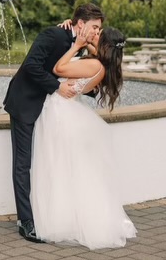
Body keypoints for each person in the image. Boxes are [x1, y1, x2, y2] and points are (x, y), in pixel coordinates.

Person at [3, 3, 104, 243]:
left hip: (51, 111)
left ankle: (49, 213)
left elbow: (74, 72)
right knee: (23, 163)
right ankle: (25, 221)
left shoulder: (81, 45)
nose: (96, 32)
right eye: (94, 27)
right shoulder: (52, 34)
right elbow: (31, 66)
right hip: (26, 103)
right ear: (80, 24)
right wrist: (57, 87)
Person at [30, 26, 137, 250]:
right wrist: (87, 42)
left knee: (57, 165)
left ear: (105, 45)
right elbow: (94, 56)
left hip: (60, 112)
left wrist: (77, 46)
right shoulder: (103, 65)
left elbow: (59, 68)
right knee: (71, 168)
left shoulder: (94, 64)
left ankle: (61, 219)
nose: (94, 36)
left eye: (99, 35)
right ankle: (73, 216)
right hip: (70, 111)